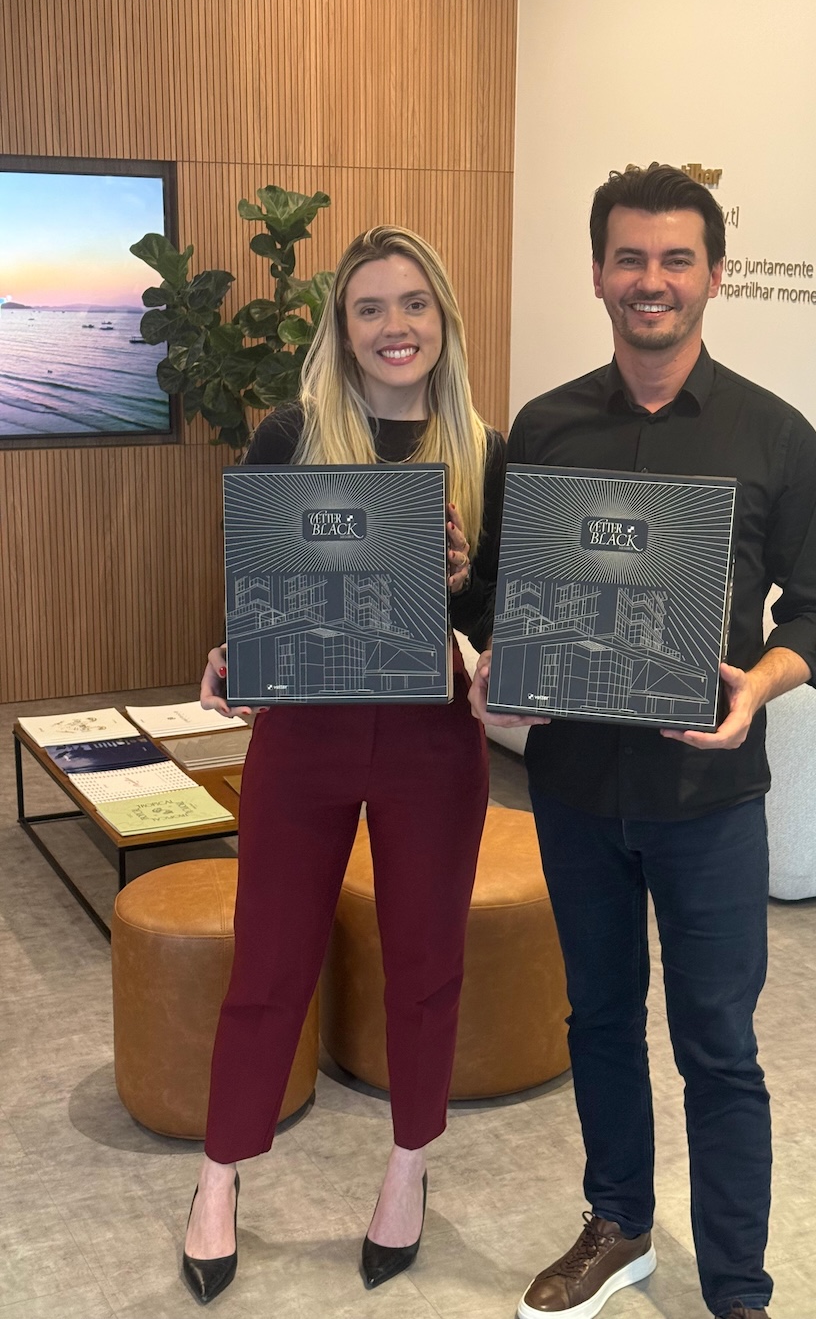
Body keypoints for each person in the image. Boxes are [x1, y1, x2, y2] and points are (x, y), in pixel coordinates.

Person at [470, 163, 816, 1319]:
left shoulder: (775, 436)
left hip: (709, 798)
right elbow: (503, 596)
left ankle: (737, 1287)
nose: (652, 280)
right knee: (596, 1019)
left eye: (676, 258)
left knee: (718, 1046)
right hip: (575, 788)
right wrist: (495, 659)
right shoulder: (543, 427)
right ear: (597, 273)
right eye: (629, 258)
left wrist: (759, 684)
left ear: (713, 276)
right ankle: (619, 1222)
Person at [182, 225, 505, 1305]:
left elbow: (498, 620)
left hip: (430, 739)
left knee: (426, 961)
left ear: (442, 317)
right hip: (306, 731)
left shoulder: (484, 450)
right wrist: (233, 650)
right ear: (343, 326)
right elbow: (262, 590)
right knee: (270, 958)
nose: (393, 326)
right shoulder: (292, 434)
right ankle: (219, 1173)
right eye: (370, 307)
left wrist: (461, 591)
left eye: (413, 303)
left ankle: (408, 1164)